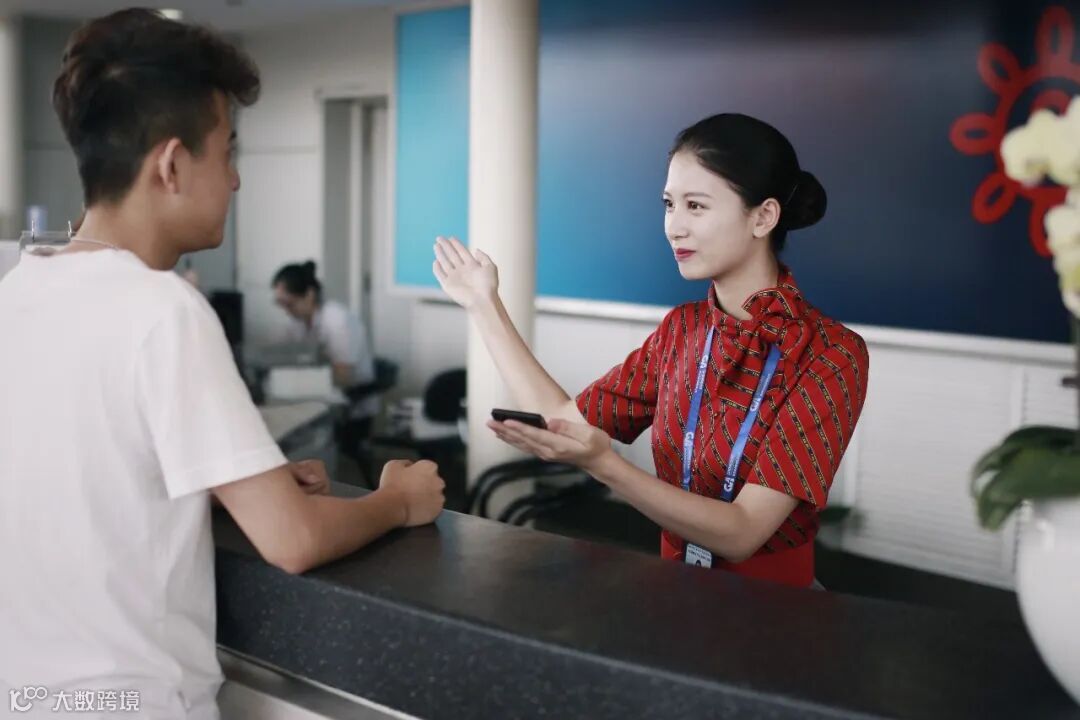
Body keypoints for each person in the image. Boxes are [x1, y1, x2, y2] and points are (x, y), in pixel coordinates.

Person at [0, 10, 444, 719]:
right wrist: (399, 501)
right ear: (172, 165)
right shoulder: (163, 309)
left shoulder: (17, 290)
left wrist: (224, 481)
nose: (235, 181)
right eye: (227, 153)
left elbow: (67, 477)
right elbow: (293, 541)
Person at [433, 113, 869, 589]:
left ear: (763, 217)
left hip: (776, 608)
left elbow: (743, 533)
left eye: (695, 206)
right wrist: (484, 305)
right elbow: (563, 420)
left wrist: (604, 465)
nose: (673, 227)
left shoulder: (831, 354)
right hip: (673, 591)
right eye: (668, 204)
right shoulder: (682, 330)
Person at [272, 261, 376, 405]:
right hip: (318, 393)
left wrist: (300, 380)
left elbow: (343, 376)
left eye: (289, 304)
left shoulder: (338, 320)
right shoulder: (296, 321)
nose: (286, 311)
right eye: (281, 304)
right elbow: (281, 358)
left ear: (309, 295)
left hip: (351, 400)